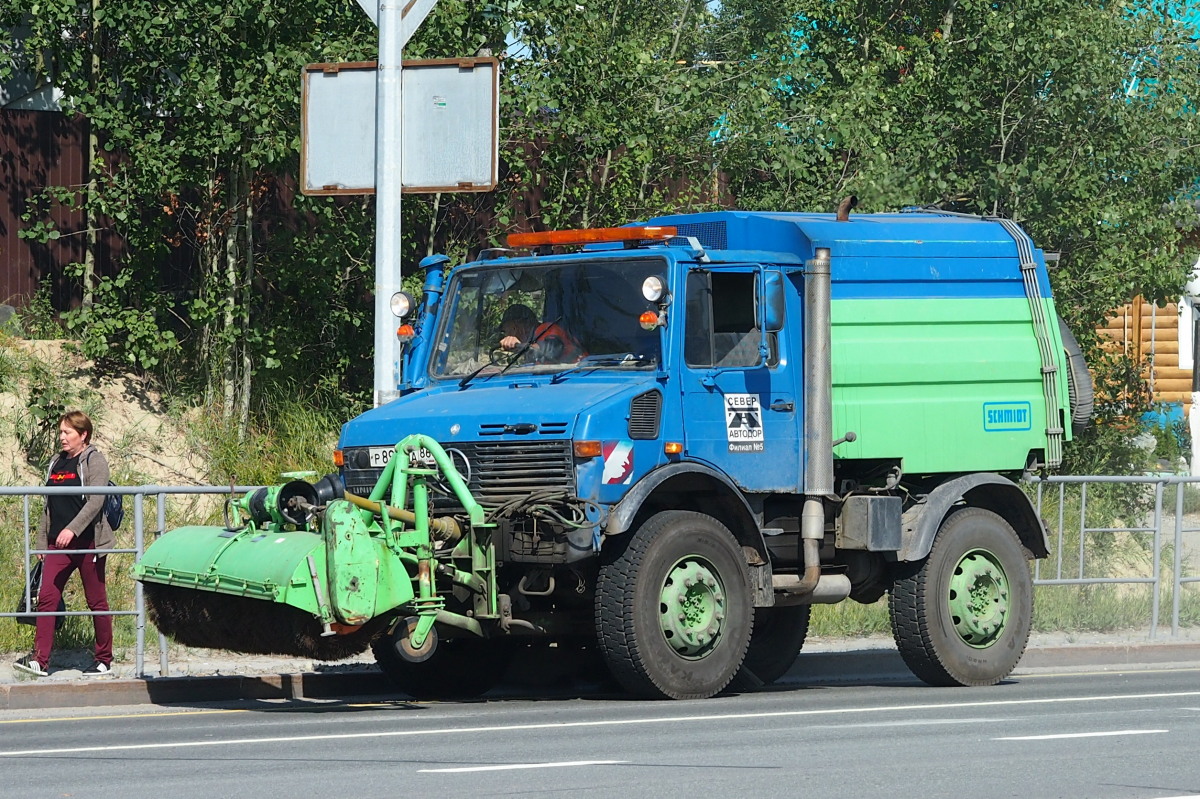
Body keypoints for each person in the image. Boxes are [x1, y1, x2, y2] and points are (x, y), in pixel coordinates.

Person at [13, 411, 115, 678]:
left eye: (67, 432)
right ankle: (40, 661)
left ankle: (104, 659)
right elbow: (48, 505)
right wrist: (41, 542)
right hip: (57, 543)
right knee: (46, 597)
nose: (62, 437)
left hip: (89, 541)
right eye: (60, 432)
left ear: (83, 435)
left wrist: (73, 529)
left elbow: (96, 501)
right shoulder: (56, 462)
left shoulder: (94, 460)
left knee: (96, 601)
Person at [498, 303, 584, 363]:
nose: (506, 335)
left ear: (515, 326)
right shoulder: (533, 339)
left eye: (505, 330)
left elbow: (551, 351)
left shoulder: (547, 329)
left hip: (582, 374)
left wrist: (520, 346)